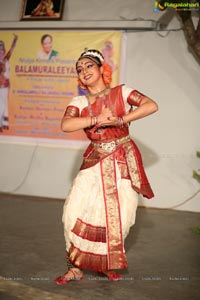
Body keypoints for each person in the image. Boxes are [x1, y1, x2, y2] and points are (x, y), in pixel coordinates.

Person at [54, 49, 158, 284]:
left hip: (121, 160)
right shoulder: (79, 101)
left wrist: (120, 120)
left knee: (120, 217)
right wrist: (97, 119)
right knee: (74, 212)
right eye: (79, 69)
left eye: (89, 65)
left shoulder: (121, 92)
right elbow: (66, 125)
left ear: (102, 69)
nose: (84, 71)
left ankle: (104, 264)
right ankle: (75, 268)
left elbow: (151, 105)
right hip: (94, 161)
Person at [0, 34, 18, 132]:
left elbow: (12, 49)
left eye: (2, 50)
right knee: (1, 106)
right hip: (0, 87)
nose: (1, 52)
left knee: (4, 105)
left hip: (5, 86)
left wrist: (15, 40)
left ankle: (3, 124)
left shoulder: (5, 59)